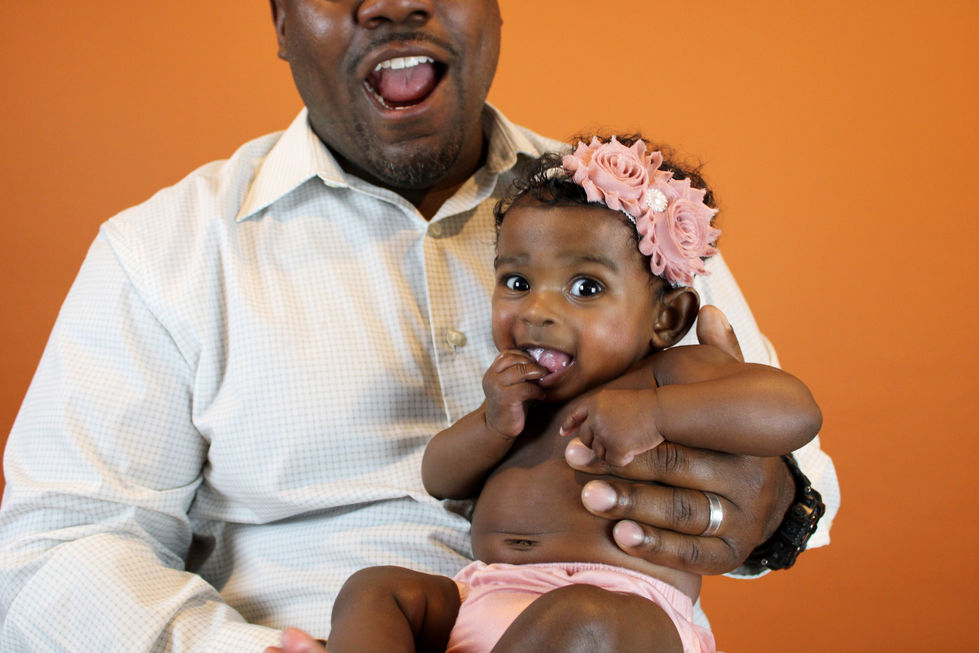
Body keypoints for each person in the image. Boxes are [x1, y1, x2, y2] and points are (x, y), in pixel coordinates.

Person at [0, 1, 838, 651]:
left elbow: (805, 479)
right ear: (281, 20)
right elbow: (55, 551)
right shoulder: (162, 253)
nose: (393, 4)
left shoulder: (627, 219)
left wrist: (778, 506)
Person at [293, 137, 822, 653]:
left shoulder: (670, 375)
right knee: (375, 589)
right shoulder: (521, 397)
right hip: (484, 597)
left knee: (583, 616)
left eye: (585, 288)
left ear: (667, 318)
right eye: (518, 283)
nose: (536, 311)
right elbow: (438, 477)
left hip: (620, 616)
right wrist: (491, 423)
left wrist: (658, 413)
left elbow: (795, 411)